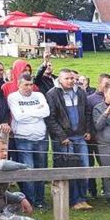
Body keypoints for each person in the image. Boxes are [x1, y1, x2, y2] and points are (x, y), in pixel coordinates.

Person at [45, 69, 93, 210]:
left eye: (72, 78)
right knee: (69, 168)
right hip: (64, 139)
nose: (71, 81)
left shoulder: (81, 92)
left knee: (84, 167)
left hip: (80, 136)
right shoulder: (52, 94)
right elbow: (51, 118)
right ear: (60, 79)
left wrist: (88, 130)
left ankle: (82, 198)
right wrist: (61, 136)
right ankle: (73, 200)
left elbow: (87, 112)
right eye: (67, 78)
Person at [7, 73, 50, 209]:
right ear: (19, 85)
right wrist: (36, 113)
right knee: (28, 169)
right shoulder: (13, 97)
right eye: (26, 84)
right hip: (23, 138)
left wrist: (28, 112)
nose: (29, 87)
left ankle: (40, 200)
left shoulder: (39, 96)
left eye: (31, 84)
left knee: (41, 168)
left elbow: (46, 112)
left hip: (40, 137)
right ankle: (29, 200)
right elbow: (19, 116)